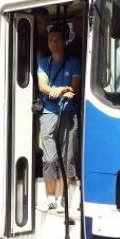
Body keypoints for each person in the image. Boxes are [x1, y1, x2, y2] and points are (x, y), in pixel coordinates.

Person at [36, 24, 82, 213]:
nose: (53, 43)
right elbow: (42, 86)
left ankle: (64, 200)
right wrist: (58, 91)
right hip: (48, 114)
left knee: (67, 158)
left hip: (68, 113)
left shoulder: (74, 63)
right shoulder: (43, 63)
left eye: (56, 39)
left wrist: (61, 90)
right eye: (50, 40)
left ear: (64, 42)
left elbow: (75, 88)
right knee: (49, 158)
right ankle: (50, 199)